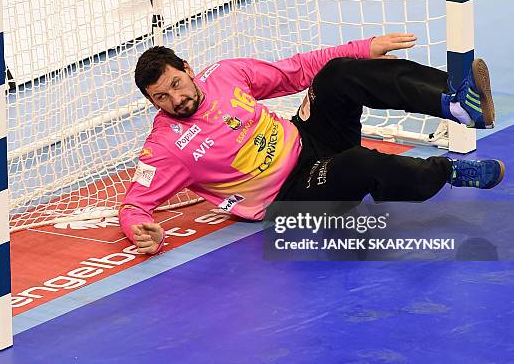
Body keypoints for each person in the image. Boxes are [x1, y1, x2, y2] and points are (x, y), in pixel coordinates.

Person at [119, 33, 505, 254]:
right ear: (152, 103)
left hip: (307, 137)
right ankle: (452, 171)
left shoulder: (224, 75)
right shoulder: (167, 146)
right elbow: (135, 204)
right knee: (358, 163)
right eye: (161, 98)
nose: (175, 100)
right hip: (290, 197)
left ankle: (454, 104)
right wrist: (142, 231)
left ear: (187, 69)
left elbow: (297, 71)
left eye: (175, 85)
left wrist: (361, 49)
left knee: (336, 74)